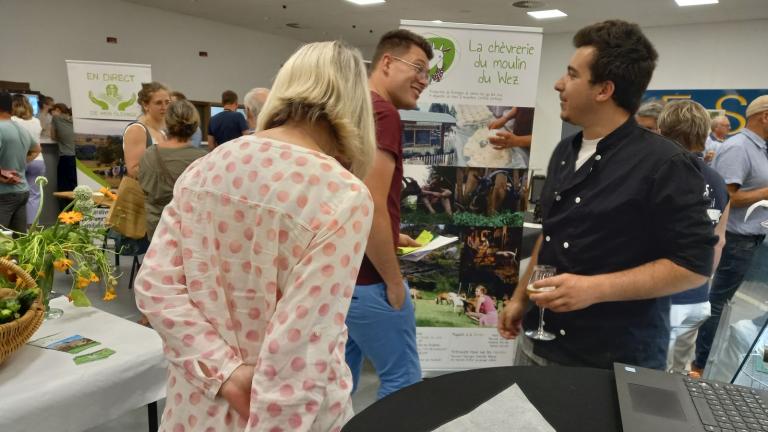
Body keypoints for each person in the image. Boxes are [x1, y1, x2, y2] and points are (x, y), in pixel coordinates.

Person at [133, 40, 375, 431]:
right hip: (285, 417)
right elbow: (299, 350)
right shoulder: (342, 195)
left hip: (199, 407)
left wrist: (224, 372)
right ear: (356, 105)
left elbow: (155, 286)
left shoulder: (207, 167)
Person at [498, 20, 717, 370]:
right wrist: (520, 297)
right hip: (539, 343)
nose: (558, 84)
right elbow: (551, 234)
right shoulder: (563, 152)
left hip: (612, 361)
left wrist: (594, 289)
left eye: (571, 74)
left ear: (604, 90)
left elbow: (692, 267)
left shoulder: (665, 165)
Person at [344, 29, 433, 400]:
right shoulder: (382, 113)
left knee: (338, 381)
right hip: (368, 282)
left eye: (428, 74)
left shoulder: (351, 108)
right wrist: (394, 282)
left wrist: (391, 235)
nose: (423, 81)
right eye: (417, 68)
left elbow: (347, 201)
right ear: (386, 62)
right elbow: (371, 205)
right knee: (403, 386)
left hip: (338, 280)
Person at [694, 95, 768, 373]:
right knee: (718, 304)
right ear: (765, 117)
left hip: (753, 241)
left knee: (724, 303)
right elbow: (724, 197)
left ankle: (713, 358)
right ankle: (701, 364)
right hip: (737, 240)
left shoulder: (759, 149)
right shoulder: (739, 148)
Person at [657, 100, 730, 372]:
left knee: (649, 382)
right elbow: (719, 241)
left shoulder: (662, 175)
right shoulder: (719, 182)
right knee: (680, 374)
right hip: (698, 299)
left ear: (662, 132)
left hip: (663, 301)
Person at [138, 100, 207, 239]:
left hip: (158, 228)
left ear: (167, 123)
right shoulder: (205, 160)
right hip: (193, 230)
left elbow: (144, 189)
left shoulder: (149, 155)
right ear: (195, 126)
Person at [0, 92, 41, 233]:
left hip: (4, 193)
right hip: (22, 191)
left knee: (2, 242)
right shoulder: (20, 128)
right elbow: (37, 149)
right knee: (19, 242)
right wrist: (21, 163)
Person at [124, 82, 170, 178]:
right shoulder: (137, 129)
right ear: (145, 105)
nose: (164, 107)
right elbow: (134, 170)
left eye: (167, 102)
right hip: (142, 191)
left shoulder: (162, 133)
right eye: (158, 103)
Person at [11, 95, 45, 225]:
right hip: (38, 160)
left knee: (15, 196)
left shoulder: (12, 120)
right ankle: (32, 228)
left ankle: (14, 229)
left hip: (19, 161)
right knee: (35, 196)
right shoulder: (36, 121)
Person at [49, 103, 77, 210]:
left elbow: (52, 136)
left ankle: (66, 216)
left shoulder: (56, 119)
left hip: (65, 158)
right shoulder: (76, 122)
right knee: (76, 189)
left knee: (64, 190)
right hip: (77, 160)